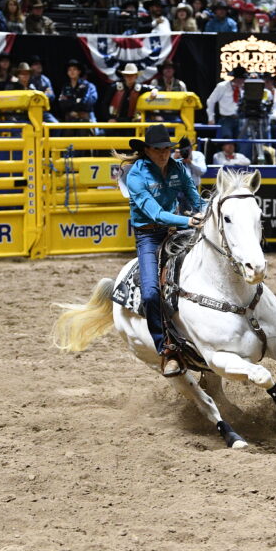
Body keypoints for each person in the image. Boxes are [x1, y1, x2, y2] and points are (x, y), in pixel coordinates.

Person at [121, 123, 206, 377]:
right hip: (149, 236)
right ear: (147, 150)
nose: (163, 154)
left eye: (167, 149)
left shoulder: (178, 168)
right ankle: (167, 349)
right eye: (158, 149)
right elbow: (155, 213)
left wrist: (205, 210)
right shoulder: (135, 175)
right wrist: (188, 221)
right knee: (150, 293)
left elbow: (195, 198)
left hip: (177, 231)